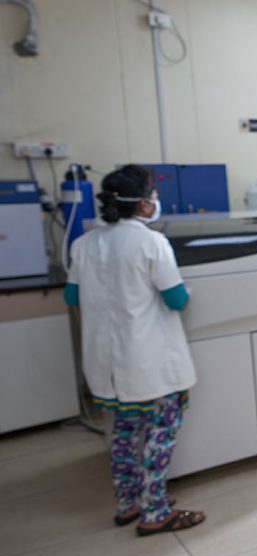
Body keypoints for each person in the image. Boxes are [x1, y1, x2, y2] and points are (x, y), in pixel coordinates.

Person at [64, 165, 205, 536]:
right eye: (153, 196)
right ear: (143, 204)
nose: (156, 202)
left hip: (106, 366)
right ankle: (155, 511)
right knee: (160, 434)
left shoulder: (84, 243)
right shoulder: (150, 242)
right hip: (149, 363)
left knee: (124, 435)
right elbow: (176, 299)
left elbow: (72, 296)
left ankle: (127, 504)